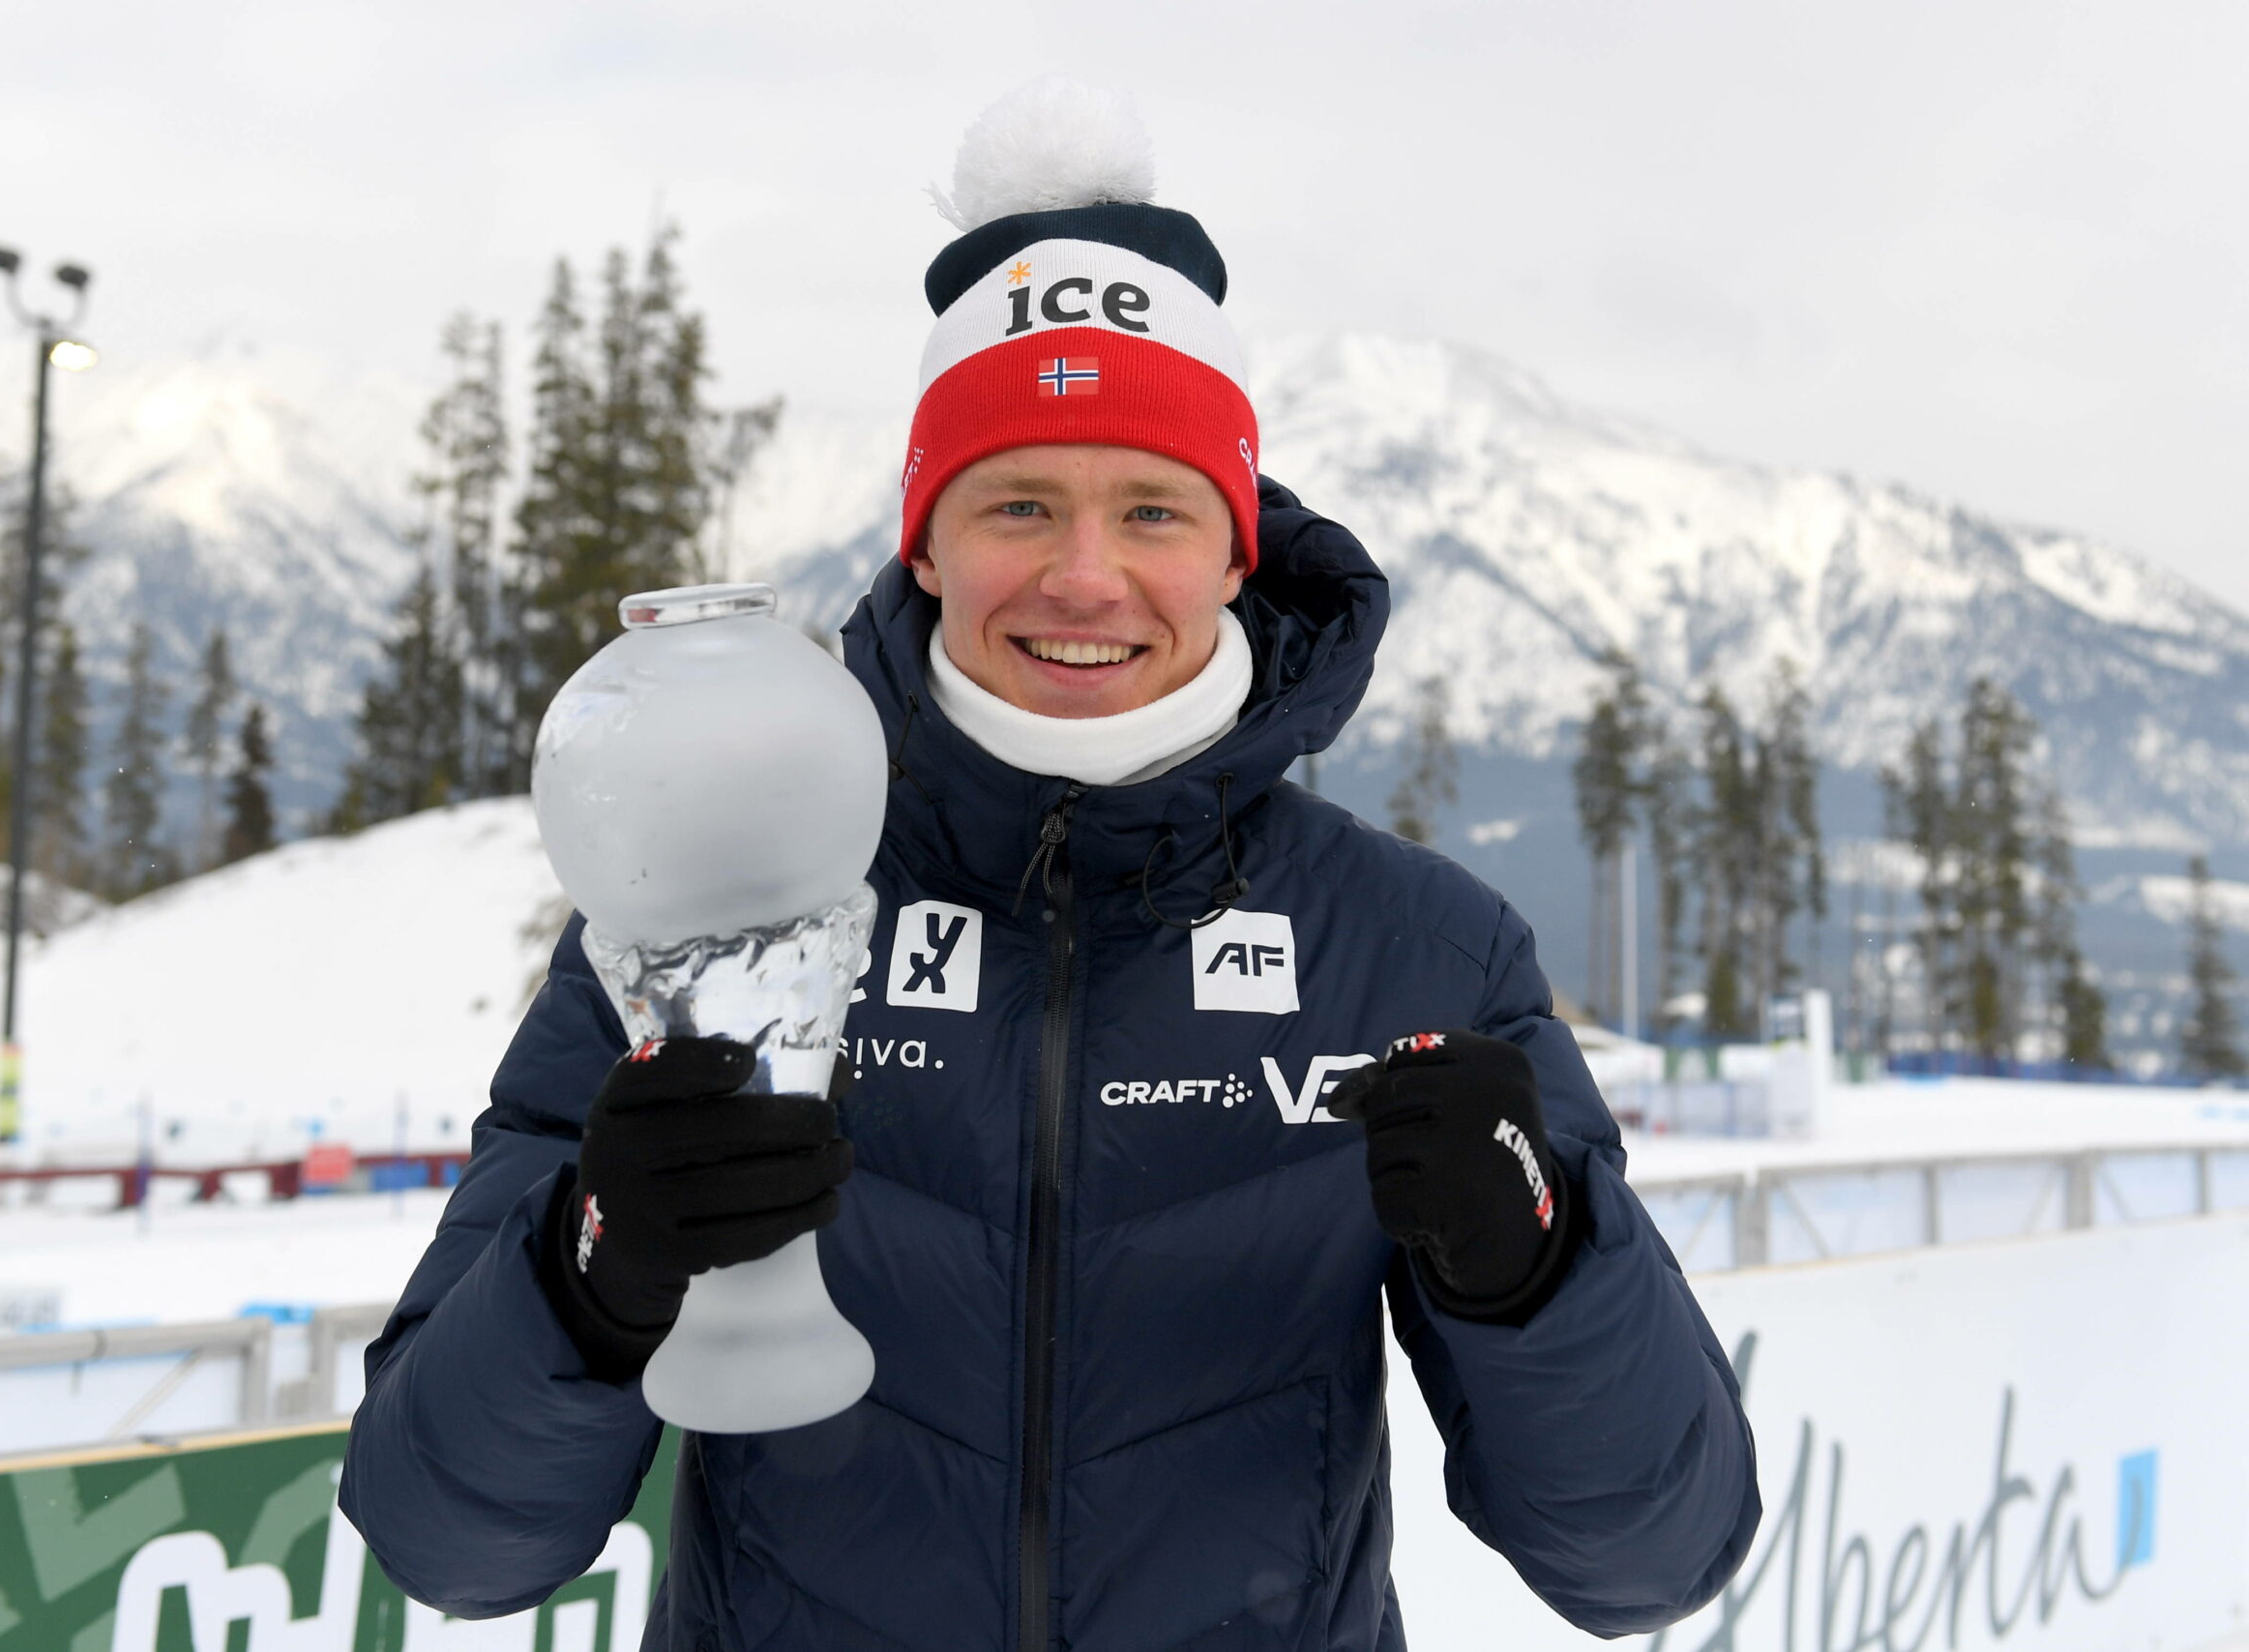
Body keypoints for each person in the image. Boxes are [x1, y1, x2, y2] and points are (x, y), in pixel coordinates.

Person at [341, 80, 1760, 1651]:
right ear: (926, 544)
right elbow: (447, 1547)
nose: (1085, 577)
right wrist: (591, 1265)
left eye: (1152, 508)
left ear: (1233, 551)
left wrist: (1540, 1261)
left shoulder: (1418, 950)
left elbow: (1652, 1562)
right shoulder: (719, 898)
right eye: (1019, 503)